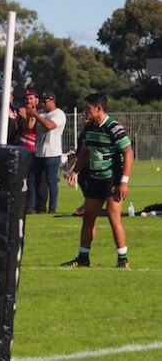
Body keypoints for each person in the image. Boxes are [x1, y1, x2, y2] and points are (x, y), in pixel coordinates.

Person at [64, 93, 134, 268]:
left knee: (113, 216)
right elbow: (86, 152)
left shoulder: (114, 128)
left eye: (87, 108)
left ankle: (122, 258)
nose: (84, 112)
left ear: (98, 109)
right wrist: (75, 171)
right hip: (95, 179)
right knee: (88, 217)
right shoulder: (89, 128)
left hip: (112, 179)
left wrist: (124, 181)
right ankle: (83, 258)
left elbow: (128, 153)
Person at [23, 91, 66, 214]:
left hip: (52, 153)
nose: (43, 104)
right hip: (39, 152)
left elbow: (49, 126)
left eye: (45, 101)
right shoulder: (41, 113)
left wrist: (35, 114)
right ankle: (31, 206)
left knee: (51, 181)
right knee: (32, 179)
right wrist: (29, 116)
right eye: (42, 101)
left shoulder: (58, 114)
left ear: (52, 101)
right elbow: (29, 128)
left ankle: (52, 208)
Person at [17, 89, 49, 214]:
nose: (28, 101)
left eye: (31, 98)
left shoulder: (42, 113)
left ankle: (40, 206)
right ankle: (28, 205)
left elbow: (31, 127)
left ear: (36, 99)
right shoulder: (20, 113)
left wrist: (29, 116)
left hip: (37, 150)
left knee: (40, 180)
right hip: (23, 150)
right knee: (26, 179)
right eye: (26, 98)